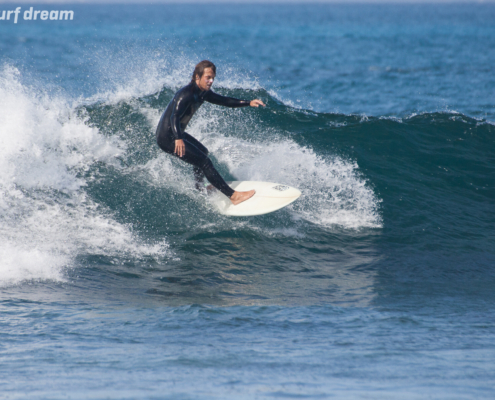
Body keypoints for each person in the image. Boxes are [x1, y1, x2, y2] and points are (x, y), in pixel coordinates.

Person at [156, 60, 265, 205]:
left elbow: (224, 100)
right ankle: (233, 196)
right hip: (168, 137)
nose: (211, 81)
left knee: (203, 152)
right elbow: (174, 116)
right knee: (204, 162)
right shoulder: (186, 94)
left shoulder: (203, 93)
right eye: (208, 77)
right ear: (197, 77)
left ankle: (199, 187)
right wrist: (178, 138)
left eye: (212, 77)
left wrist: (248, 102)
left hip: (176, 133)